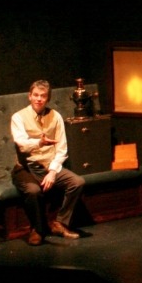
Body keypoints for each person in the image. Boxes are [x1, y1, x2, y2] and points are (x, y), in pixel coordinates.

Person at [10, 79, 86, 246]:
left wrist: (52, 172)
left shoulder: (56, 116)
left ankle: (59, 223)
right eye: (35, 95)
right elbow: (21, 144)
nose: (39, 99)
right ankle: (37, 229)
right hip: (26, 168)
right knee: (33, 190)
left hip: (49, 166)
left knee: (77, 182)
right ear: (29, 96)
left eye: (43, 96)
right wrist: (39, 142)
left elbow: (62, 149)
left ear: (48, 98)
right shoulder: (18, 117)